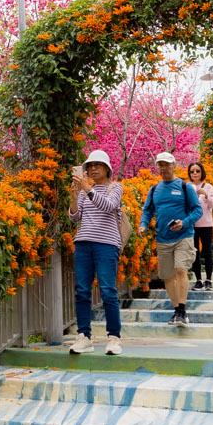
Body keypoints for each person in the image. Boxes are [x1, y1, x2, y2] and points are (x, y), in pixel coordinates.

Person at [69, 149, 124, 355]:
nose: (92, 168)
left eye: (97, 165)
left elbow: (109, 207)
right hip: (83, 243)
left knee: (108, 290)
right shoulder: (84, 191)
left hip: (107, 244)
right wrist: (75, 195)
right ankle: (84, 336)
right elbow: (75, 217)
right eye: (89, 166)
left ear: (107, 169)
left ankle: (114, 337)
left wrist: (87, 189)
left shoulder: (115, 188)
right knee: (82, 291)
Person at [139, 151, 203, 326]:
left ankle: (182, 310)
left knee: (181, 269)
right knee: (168, 276)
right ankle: (177, 311)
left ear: (174, 165)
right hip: (163, 239)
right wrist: (143, 224)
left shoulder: (185, 187)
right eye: (161, 165)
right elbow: (147, 210)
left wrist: (184, 222)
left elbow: (197, 210)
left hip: (184, 236)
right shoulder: (154, 189)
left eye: (167, 164)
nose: (164, 168)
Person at [186, 161, 213, 290]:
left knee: (207, 252)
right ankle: (198, 280)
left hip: (206, 225)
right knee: (194, 253)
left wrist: (205, 195)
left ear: (202, 172)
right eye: (192, 171)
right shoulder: (187, 187)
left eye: (197, 171)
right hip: (192, 225)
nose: (195, 173)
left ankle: (208, 280)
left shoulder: (208, 187)